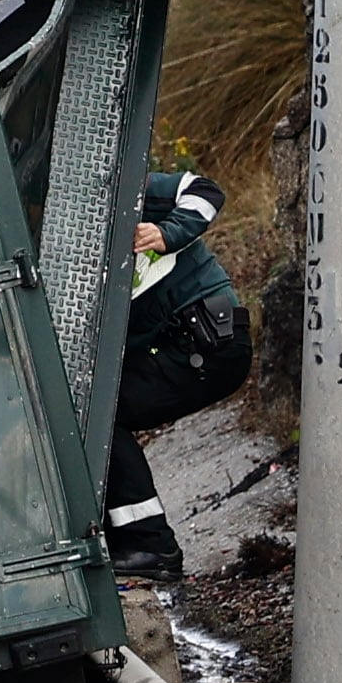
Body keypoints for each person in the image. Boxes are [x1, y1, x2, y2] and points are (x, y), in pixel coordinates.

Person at [103, 168, 253, 579]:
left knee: (100, 417)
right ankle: (120, 541)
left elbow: (206, 189)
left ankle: (152, 547)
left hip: (208, 342)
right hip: (175, 346)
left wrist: (168, 232)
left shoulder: (122, 188)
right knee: (88, 411)